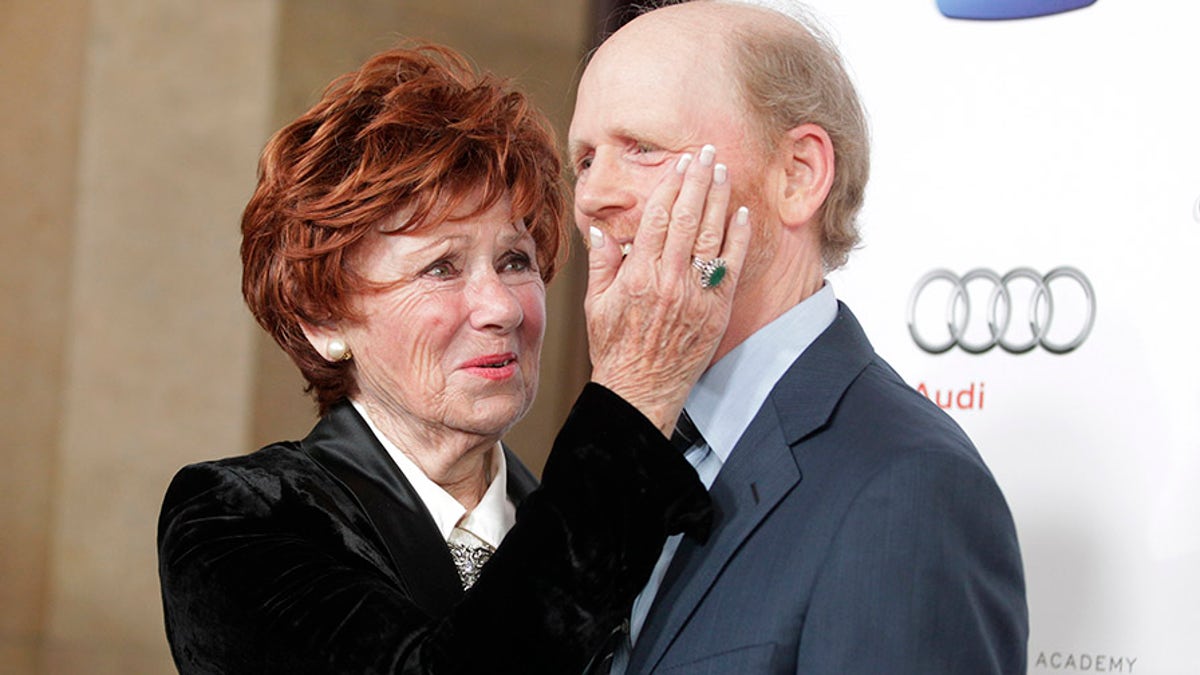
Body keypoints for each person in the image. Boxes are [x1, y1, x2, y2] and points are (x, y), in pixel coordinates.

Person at [157, 43, 751, 674]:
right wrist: (636, 391)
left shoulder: (597, 519)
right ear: (322, 319)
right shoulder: (239, 515)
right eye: (441, 267)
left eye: (515, 261)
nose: (501, 307)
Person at [569, 1, 1029, 673]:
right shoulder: (617, 448)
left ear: (799, 175)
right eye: (583, 160)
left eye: (642, 148)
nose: (592, 196)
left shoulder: (907, 490)